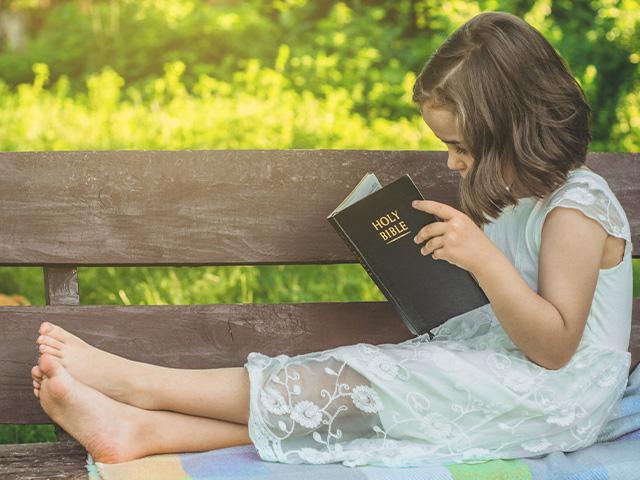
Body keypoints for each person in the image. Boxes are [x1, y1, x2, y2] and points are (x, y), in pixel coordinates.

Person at [31, 10, 634, 468]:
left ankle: (137, 382)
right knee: (362, 396)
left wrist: (483, 261)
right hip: (501, 369)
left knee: (369, 381)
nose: (453, 165)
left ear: (515, 128)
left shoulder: (577, 209)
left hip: (557, 396)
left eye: (462, 148)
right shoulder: (519, 197)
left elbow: (554, 348)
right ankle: (144, 433)